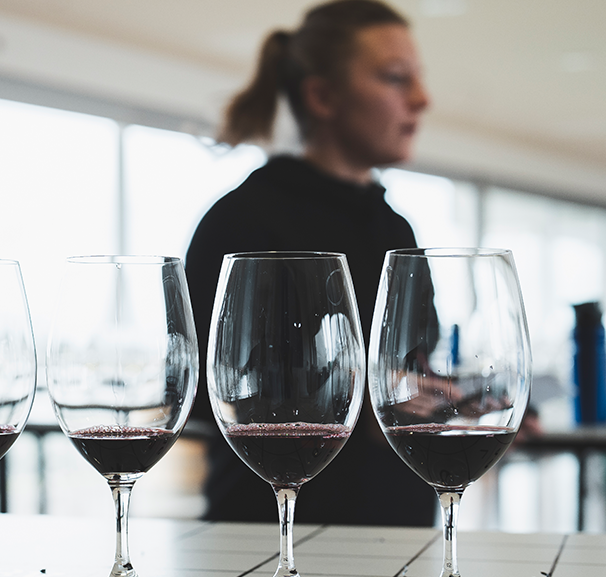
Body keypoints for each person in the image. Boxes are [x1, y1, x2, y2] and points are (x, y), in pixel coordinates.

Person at [186, 0, 436, 525]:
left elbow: (406, 372)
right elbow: (213, 390)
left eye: (418, 78)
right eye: (396, 78)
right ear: (322, 95)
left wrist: (456, 400)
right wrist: (364, 407)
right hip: (267, 541)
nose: (421, 99)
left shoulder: (397, 229)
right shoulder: (242, 222)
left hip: (401, 536)